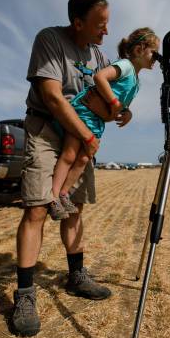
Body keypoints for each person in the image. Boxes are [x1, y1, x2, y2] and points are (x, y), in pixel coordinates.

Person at [13, 0, 130, 337]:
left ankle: (76, 275)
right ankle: (25, 294)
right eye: (99, 24)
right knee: (37, 209)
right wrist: (89, 136)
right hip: (48, 130)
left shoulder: (100, 57)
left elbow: (110, 100)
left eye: (108, 23)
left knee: (74, 208)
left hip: (79, 139)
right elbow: (52, 98)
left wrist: (122, 110)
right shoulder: (49, 40)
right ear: (77, 22)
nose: (105, 31)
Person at [48, 28, 160, 220]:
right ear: (139, 50)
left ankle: (64, 193)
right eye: (154, 53)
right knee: (70, 154)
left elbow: (122, 106)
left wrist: (128, 113)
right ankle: (53, 198)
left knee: (83, 160)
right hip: (84, 112)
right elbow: (100, 77)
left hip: (97, 121)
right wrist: (113, 103)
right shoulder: (124, 65)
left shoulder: (137, 83)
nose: (157, 58)